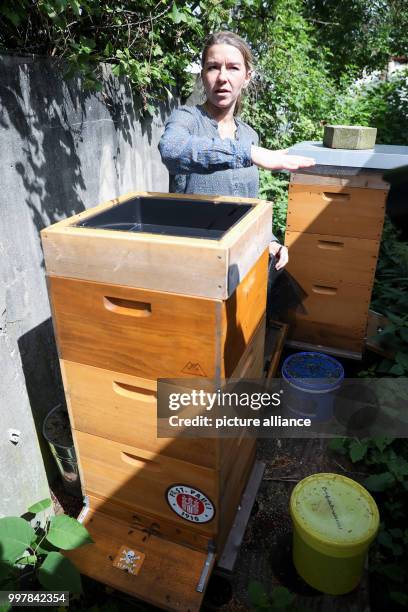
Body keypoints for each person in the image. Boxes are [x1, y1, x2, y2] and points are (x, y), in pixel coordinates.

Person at [159, 31, 315, 271]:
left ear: (247, 76)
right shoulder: (187, 118)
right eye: (213, 67)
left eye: (232, 68)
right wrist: (247, 153)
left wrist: (268, 241)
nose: (222, 77)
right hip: (191, 261)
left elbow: (248, 204)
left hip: (239, 262)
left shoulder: (249, 135)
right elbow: (171, 150)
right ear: (202, 75)